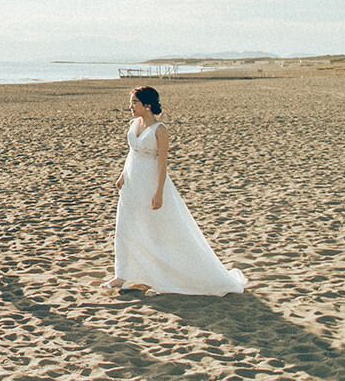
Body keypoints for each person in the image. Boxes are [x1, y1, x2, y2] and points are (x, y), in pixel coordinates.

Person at [102, 86, 247, 295]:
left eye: (134, 102)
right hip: (132, 184)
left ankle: (160, 279)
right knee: (125, 227)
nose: (130, 107)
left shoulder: (160, 130)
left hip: (150, 183)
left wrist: (159, 191)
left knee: (156, 231)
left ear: (147, 105)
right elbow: (132, 153)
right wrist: (122, 176)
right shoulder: (134, 124)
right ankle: (121, 275)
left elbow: (162, 163)